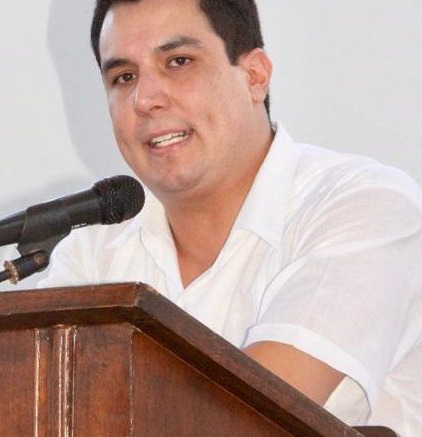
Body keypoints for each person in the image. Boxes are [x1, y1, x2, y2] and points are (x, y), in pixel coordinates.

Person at [38, 0, 422, 435]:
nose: (145, 100)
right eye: (124, 77)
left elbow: (244, 418)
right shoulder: (90, 257)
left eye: (178, 62)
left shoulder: (364, 206)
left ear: (255, 76)